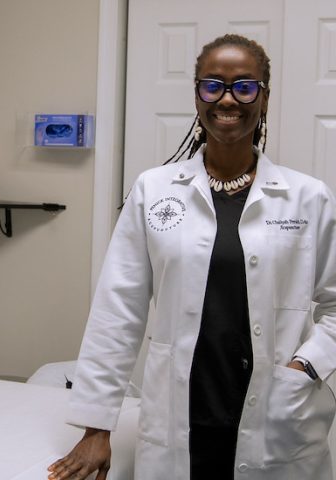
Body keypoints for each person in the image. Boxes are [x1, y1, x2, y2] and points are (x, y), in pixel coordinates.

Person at [48, 34, 336, 480]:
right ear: (197, 95)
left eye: (244, 86)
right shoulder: (154, 190)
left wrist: (307, 364)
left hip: (279, 416)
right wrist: (96, 426)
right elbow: (117, 311)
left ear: (264, 97)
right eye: (213, 85)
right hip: (181, 413)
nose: (227, 99)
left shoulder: (308, 198)